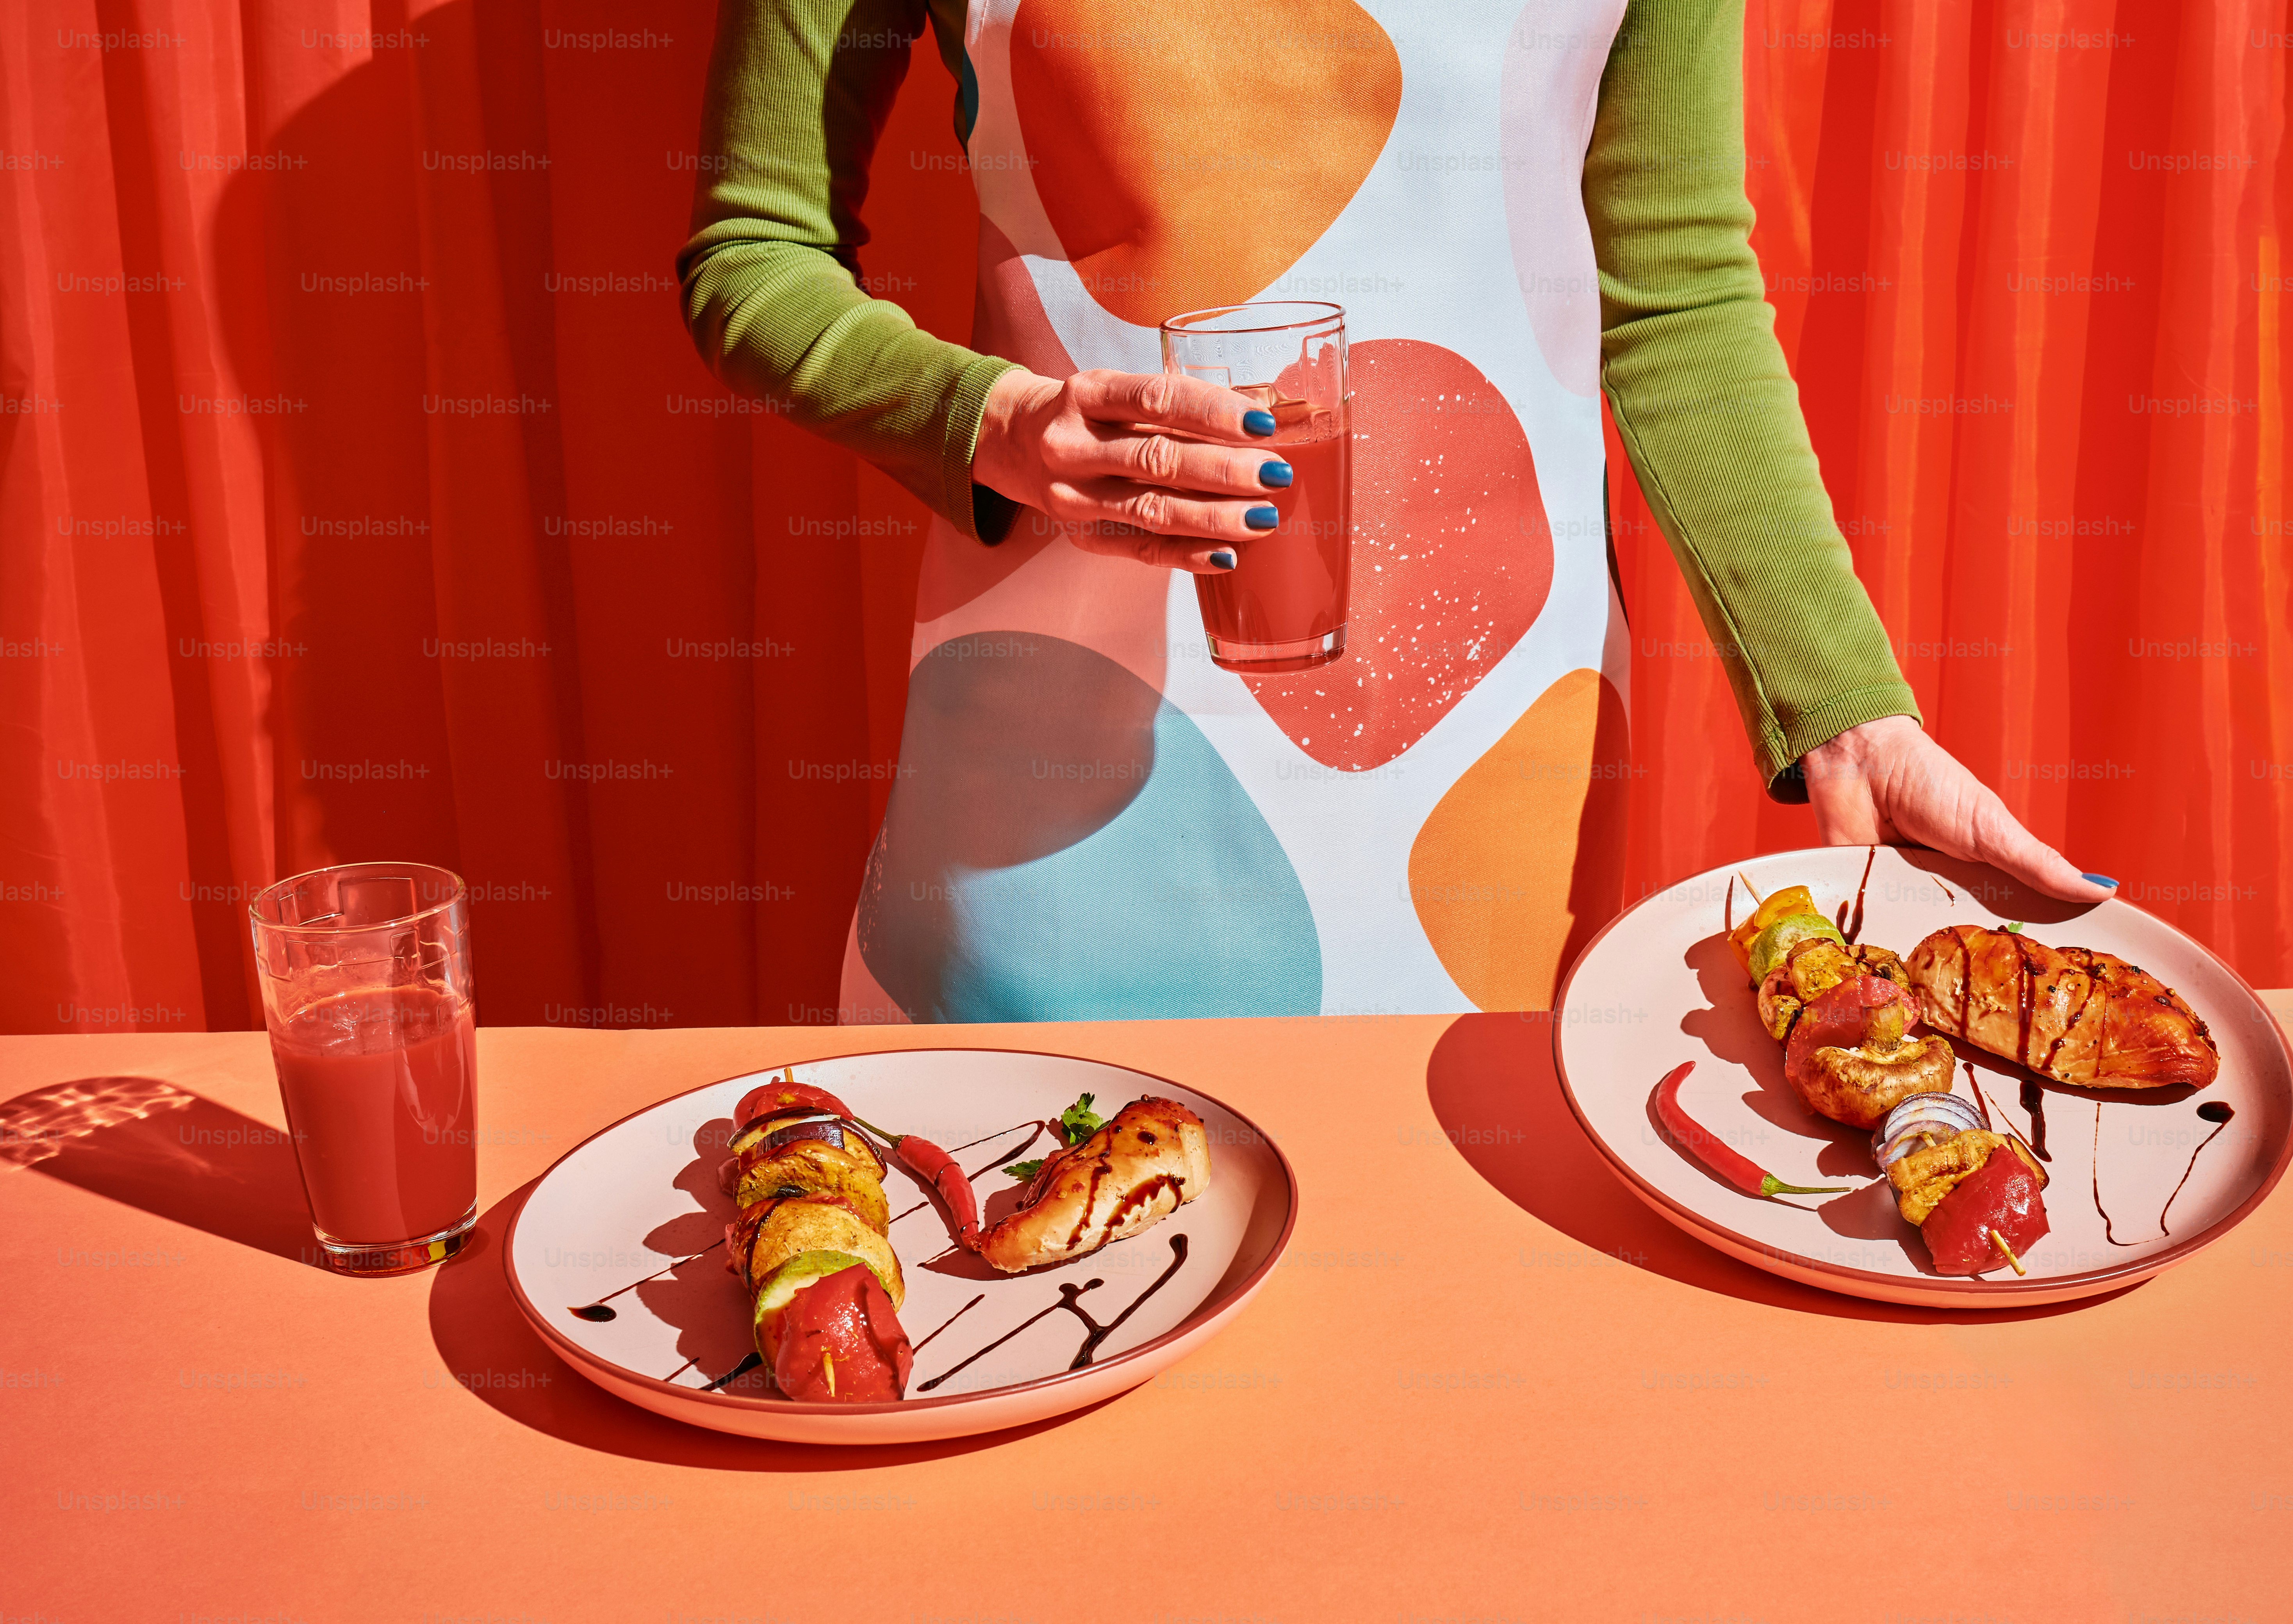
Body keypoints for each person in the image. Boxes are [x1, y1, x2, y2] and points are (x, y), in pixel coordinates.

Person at [676, 0, 2114, 1023]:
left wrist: (1847, 705)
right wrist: (990, 423)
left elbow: (1672, 288)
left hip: (1496, 776)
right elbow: (756, 247)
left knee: (1437, 1381)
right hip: (1062, 780)